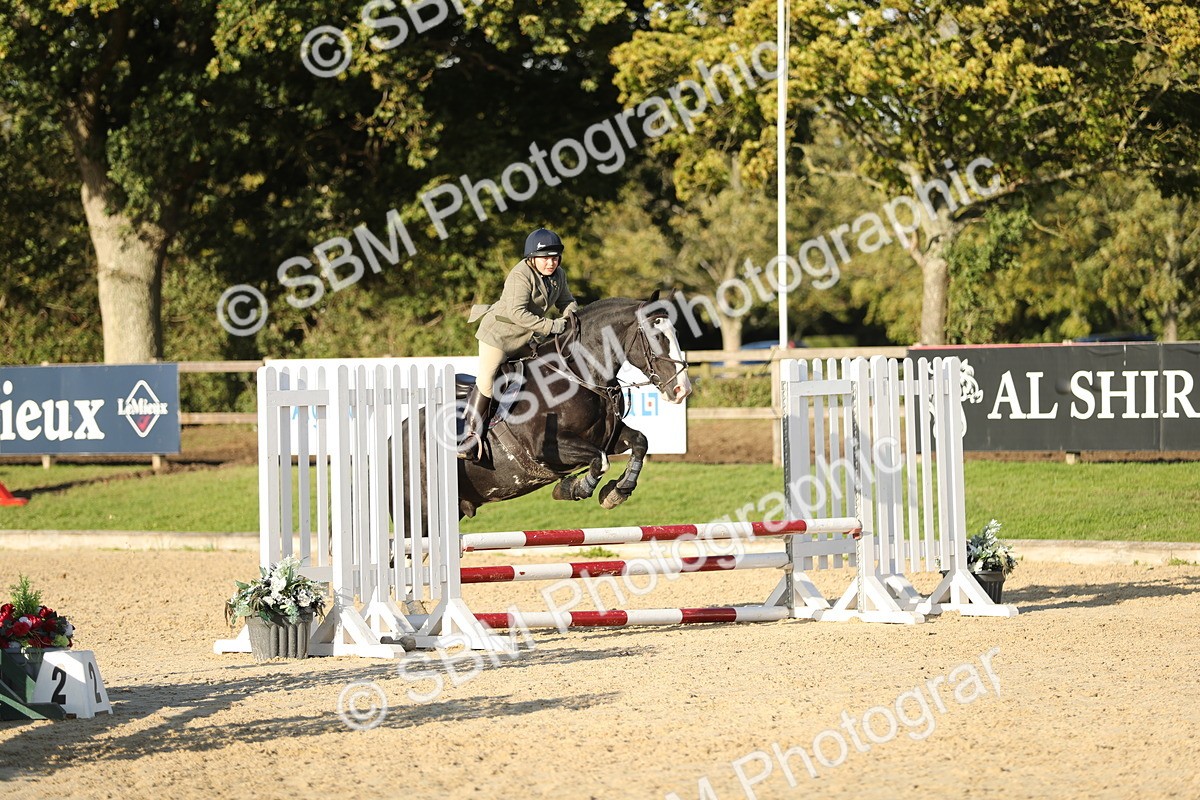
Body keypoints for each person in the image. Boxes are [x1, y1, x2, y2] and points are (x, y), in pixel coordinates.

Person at [461, 227, 579, 460]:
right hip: (499, 336)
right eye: (545, 258)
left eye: (554, 258)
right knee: (486, 380)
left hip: (525, 338)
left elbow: (567, 301)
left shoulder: (559, 276)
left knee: (544, 367)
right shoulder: (520, 274)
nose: (550, 263)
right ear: (532, 258)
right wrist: (551, 326)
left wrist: (573, 318)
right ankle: (470, 437)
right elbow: (517, 313)